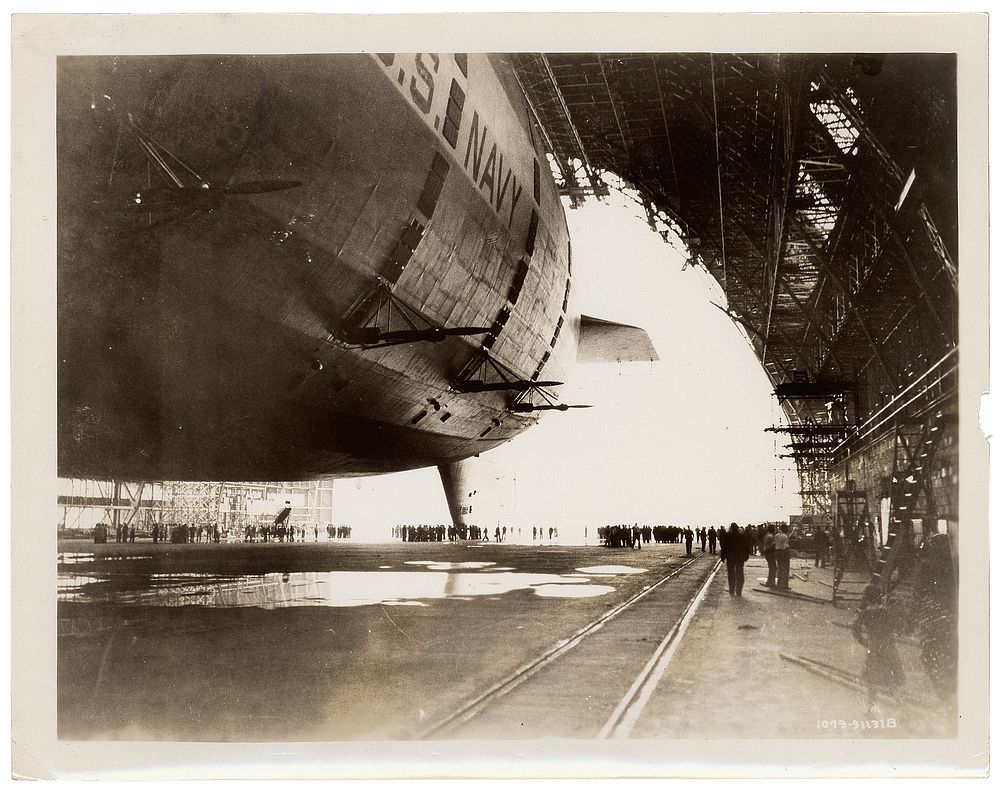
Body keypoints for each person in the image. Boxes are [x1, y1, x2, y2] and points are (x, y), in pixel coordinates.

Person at [720, 523, 748, 597]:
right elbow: (746, 548)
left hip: (730, 557)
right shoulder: (742, 536)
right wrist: (746, 556)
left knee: (731, 574)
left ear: (731, 528)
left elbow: (724, 547)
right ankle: (739, 591)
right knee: (740, 573)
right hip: (739, 557)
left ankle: (732, 590)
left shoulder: (728, 536)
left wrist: (723, 557)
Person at [774, 525, 791, 589]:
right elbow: (785, 546)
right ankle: (784, 584)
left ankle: (779, 583)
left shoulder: (776, 535)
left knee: (780, 567)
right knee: (785, 568)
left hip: (777, 552)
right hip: (784, 552)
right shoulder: (785, 536)